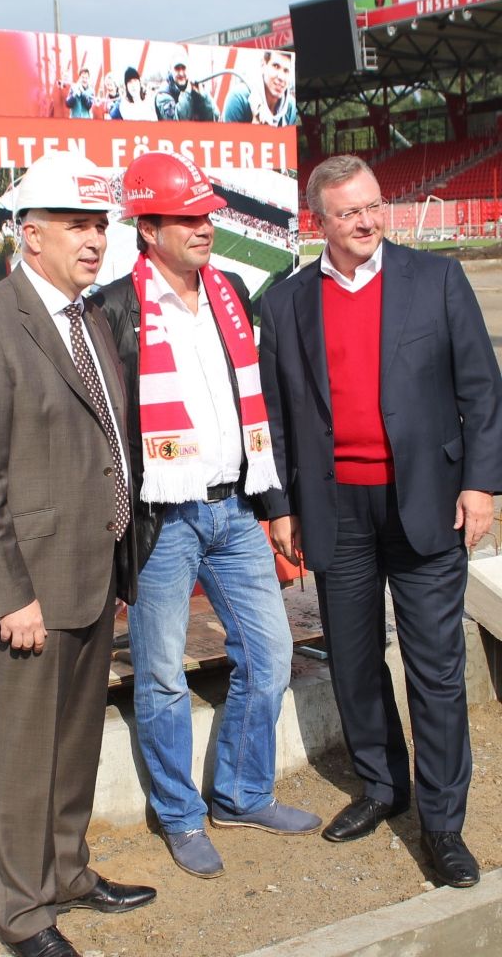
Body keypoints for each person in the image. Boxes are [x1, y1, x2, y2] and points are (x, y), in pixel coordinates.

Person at [0, 151, 155, 957]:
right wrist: (9, 596)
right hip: (28, 591)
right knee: (23, 759)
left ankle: (65, 874)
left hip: (89, 575)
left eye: (101, 225)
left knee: (73, 746)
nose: (95, 240)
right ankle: (22, 913)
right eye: (76, 226)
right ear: (30, 235)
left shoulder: (88, 318)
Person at [259, 154, 502, 888]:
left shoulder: (437, 280)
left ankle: (443, 824)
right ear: (319, 222)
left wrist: (481, 486)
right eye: (349, 212)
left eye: (373, 206)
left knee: (435, 669)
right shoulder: (287, 303)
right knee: (356, 661)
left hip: (426, 501)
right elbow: (275, 417)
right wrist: (281, 507)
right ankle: (382, 784)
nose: (367, 221)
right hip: (336, 509)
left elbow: (482, 391)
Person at [89, 152, 320, 880]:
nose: (203, 227)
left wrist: (274, 504)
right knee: (161, 677)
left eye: (207, 215)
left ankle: (242, 795)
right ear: (147, 228)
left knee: (270, 654)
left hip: (233, 509)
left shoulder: (229, 292)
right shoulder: (115, 309)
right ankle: (181, 817)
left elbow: (256, 404)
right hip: (163, 523)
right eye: (186, 217)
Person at [223, 50, 297, 126]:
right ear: (263, 65)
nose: (281, 77)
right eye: (276, 66)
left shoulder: (291, 108)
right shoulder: (239, 98)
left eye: (286, 71)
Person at [153, 46, 219, 123]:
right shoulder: (163, 94)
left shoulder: (198, 87)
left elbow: (215, 118)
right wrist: (187, 93)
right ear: (170, 70)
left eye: (183, 68)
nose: (181, 73)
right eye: (177, 69)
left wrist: (203, 97)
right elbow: (177, 123)